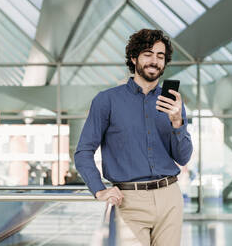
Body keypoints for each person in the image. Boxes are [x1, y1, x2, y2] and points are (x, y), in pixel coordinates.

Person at [74, 29, 193, 245]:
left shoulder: (173, 103)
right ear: (133, 57)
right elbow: (83, 152)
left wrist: (178, 123)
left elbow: (183, 157)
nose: (154, 61)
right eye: (148, 54)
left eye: (160, 56)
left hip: (170, 197)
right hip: (128, 200)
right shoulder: (106, 101)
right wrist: (99, 189)